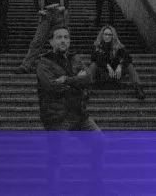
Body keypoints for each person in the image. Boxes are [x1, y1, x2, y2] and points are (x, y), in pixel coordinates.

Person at [37, 25, 106, 194]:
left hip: (79, 114)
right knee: (57, 156)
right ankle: (53, 190)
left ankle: (95, 186)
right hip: (57, 116)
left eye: (66, 37)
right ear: (51, 41)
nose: (63, 41)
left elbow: (89, 78)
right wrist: (77, 82)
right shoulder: (44, 63)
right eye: (59, 37)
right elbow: (52, 87)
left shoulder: (75, 58)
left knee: (100, 142)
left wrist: (66, 80)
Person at [14, 0, 70, 74]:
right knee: (37, 41)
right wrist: (39, 10)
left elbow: (66, 0)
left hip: (58, 15)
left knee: (61, 42)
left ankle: (63, 67)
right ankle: (26, 65)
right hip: (46, 14)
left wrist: (63, 7)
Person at [89, 25, 145, 99]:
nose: (107, 36)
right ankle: (86, 89)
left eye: (109, 35)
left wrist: (120, 65)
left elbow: (128, 58)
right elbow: (94, 58)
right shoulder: (96, 46)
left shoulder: (118, 47)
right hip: (102, 75)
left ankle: (139, 89)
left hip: (115, 75)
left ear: (113, 36)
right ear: (102, 35)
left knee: (129, 66)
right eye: (105, 34)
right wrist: (107, 66)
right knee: (93, 65)